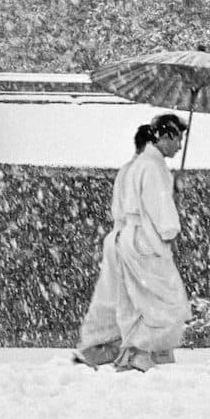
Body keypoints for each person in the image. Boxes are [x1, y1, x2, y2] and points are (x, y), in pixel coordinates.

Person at [73, 112, 192, 372]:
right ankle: (139, 351)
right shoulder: (153, 166)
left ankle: (104, 346)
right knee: (166, 302)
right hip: (143, 239)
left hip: (123, 234)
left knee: (123, 298)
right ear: (166, 135)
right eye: (178, 138)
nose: (180, 145)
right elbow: (163, 215)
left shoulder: (133, 167)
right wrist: (171, 222)